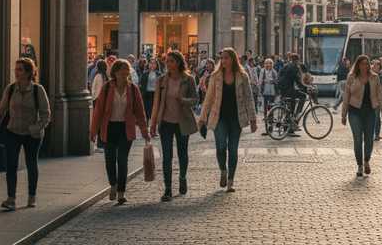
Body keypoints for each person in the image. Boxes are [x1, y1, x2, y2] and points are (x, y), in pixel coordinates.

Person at [0, 58, 51, 210]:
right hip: (13, 131)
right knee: (11, 165)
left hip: (32, 134)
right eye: (16, 69)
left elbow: (46, 114)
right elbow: (1, 109)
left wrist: (36, 127)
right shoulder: (11, 89)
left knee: (32, 164)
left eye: (20, 69)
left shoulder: (38, 90)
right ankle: (11, 198)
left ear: (29, 72)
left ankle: (32, 196)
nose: (16, 72)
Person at [90, 58, 150, 205]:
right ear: (115, 73)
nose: (124, 75)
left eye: (126, 72)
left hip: (125, 129)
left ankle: (121, 192)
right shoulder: (107, 88)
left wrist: (144, 130)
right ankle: (113, 185)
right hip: (109, 128)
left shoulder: (133, 89)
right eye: (122, 72)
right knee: (110, 160)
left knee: (122, 161)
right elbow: (98, 111)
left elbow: (140, 111)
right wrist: (93, 131)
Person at [198, 48, 257, 192]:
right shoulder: (215, 76)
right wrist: (202, 118)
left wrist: (253, 119)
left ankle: (231, 180)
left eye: (226, 58)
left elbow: (249, 98)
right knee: (221, 147)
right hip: (219, 118)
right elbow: (209, 98)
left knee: (233, 149)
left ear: (233, 59)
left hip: (236, 118)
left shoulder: (242, 76)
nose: (223, 61)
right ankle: (223, 170)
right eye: (221, 58)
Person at [149, 50, 198, 201]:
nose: (167, 64)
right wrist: (153, 122)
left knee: (182, 153)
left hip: (182, 122)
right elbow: (156, 102)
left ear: (178, 62)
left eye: (171, 61)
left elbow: (195, 99)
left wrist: (183, 100)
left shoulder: (188, 79)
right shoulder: (162, 80)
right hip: (166, 122)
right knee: (167, 156)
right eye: (166, 61)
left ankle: (182, 177)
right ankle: (168, 188)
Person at [340, 55, 382, 177]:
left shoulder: (374, 77)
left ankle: (367, 160)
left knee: (369, 139)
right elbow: (346, 96)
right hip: (354, 111)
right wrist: (343, 114)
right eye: (362, 64)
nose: (365, 66)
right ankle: (360, 165)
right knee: (357, 139)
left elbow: (380, 95)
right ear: (358, 65)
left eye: (367, 64)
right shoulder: (351, 77)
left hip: (370, 112)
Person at [276, 53, 307, 136]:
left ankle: (289, 127)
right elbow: (297, 81)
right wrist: (306, 88)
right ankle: (297, 114)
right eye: (298, 60)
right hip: (288, 90)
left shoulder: (286, 65)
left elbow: (279, 75)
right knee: (303, 96)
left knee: (290, 108)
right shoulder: (294, 67)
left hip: (282, 89)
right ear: (297, 60)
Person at [371, 59, 382, 141]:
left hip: (378, 99)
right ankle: (370, 133)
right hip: (369, 99)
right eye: (375, 65)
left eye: (378, 66)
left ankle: (377, 134)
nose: (377, 67)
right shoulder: (369, 74)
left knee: (377, 117)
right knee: (370, 117)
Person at [259, 57, 278, 129]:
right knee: (265, 106)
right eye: (266, 63)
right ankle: (266, 119)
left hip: (272, 91)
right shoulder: (262, 71)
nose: (268, 65)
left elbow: (276, 81)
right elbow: (260, 81)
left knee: (271, 107)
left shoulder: (274, 71)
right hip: (265, 91)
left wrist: (272, 81)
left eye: (270, 63)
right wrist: (263, 82)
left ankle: (271, 120)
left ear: (272, 64)